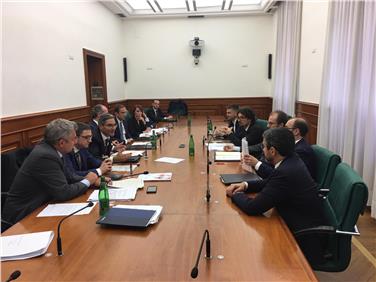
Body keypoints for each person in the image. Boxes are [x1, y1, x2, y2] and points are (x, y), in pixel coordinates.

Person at [226, 128, 325, 265]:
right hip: (301, 218)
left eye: (264, 147)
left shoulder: (285, 172)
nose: (262, 150)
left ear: (272, 151)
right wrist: (245, 185)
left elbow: (253, 208)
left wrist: (236, 194)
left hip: (300, 235)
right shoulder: (291, 160)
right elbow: (271, 180)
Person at [2, 119, 98, 225]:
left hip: (44, 205)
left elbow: (69, 176)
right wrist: (87, 181)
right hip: (23, 216)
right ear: (61, 142)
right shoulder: (45, 156)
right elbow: (64, 193)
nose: (75, 142)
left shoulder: (54, 149)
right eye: (74, 139)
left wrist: (92, 180)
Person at [243, 117, 315, 179]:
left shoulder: (301, 150)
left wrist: (257, 163)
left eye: (286, 128)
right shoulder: (288, 145)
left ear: (296, 131)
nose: (283, 130)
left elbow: (279, 175)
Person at [225, 110, 289, 157]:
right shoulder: (271, 133)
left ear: (281, 125)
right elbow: (260, 146)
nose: (267, 126)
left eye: (271, 123)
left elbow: (259, 149)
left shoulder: (285, 140)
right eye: (268, 122)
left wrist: (256, 163)